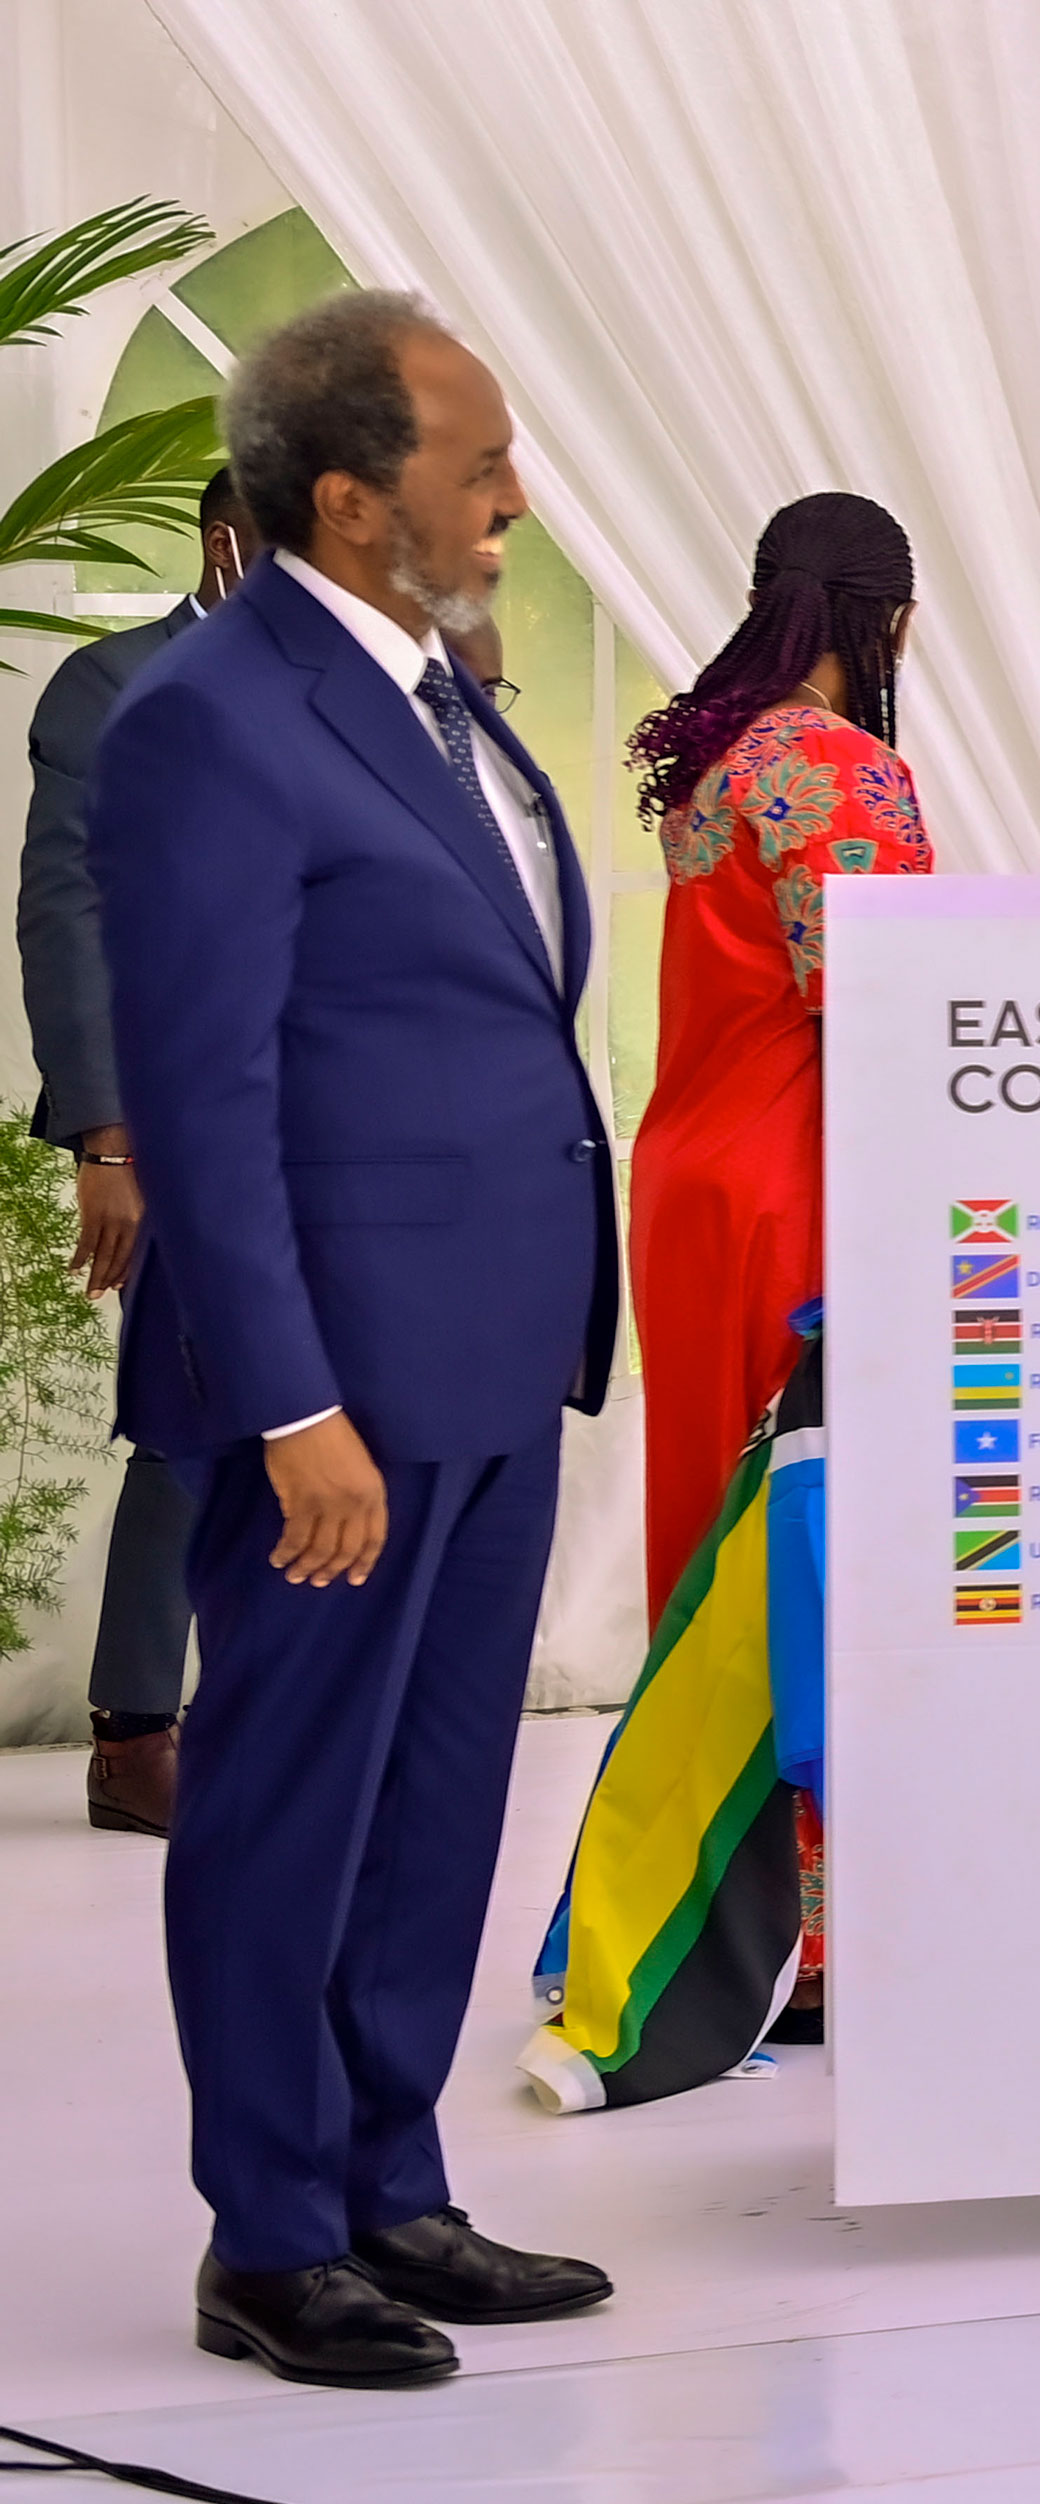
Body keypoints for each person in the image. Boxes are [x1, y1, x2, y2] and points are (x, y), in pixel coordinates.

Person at [90, 288, 618, 2386]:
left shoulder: (441, 698)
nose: (512, 495)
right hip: (335, 1401)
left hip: (487, 1358)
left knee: (436, 1800)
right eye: (476, 463)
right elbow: (203, 1096)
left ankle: (396, 2185)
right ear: (345, 492)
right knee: (287, 1804)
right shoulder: (210, 722)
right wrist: (296, 1405)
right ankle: (273, 2234)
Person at [624, 491, 930, 1618]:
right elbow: (877, 1007)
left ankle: (703, 1788)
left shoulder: (724, 758)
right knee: (801, 1509)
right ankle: (806, 1799)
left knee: (711, 1503)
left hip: (690, 1180)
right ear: (890, 623)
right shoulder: (844, 769)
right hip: (793, 1187)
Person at [16, 469, 267, 1835]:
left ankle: (271, 1709)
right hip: (176, 1122)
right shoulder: (112, 688)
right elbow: (68, 911)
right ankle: (131, 1730)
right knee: (187, 1414)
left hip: (333, 1122)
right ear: (228, 540)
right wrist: (106, 1134)